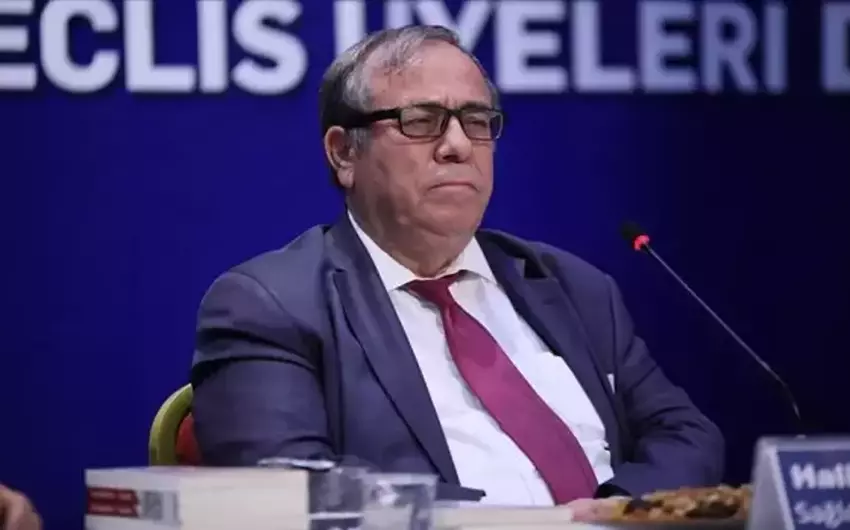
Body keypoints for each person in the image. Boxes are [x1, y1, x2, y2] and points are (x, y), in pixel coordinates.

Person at [190, 25, 724, 518]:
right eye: (420, 122)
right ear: (343, 153)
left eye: (476, 121)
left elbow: (685, 434)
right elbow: (294, 493)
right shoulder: (271, 306)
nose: (459, 146)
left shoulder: (573, 287)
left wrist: (612, 513)